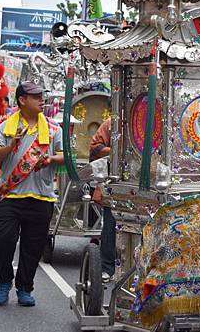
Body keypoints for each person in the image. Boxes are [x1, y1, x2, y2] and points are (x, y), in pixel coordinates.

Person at [0, 82, 64, 307]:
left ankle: (24, 288)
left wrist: (50, 159)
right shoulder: (6, 128)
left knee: (33, 247)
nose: (42, 100)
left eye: (42, 95)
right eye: (36, 96)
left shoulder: (53, 129)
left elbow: (65, 157)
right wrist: (11, 146)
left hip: (41, 198)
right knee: (3, 240)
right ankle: (4, 282)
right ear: (22, 100)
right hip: (9, 197)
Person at [89, 118, 114, 283]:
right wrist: (115, 150)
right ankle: (107, 267)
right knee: (111, 224)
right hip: (115, 181)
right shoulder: (112, 123)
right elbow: (94, 148)